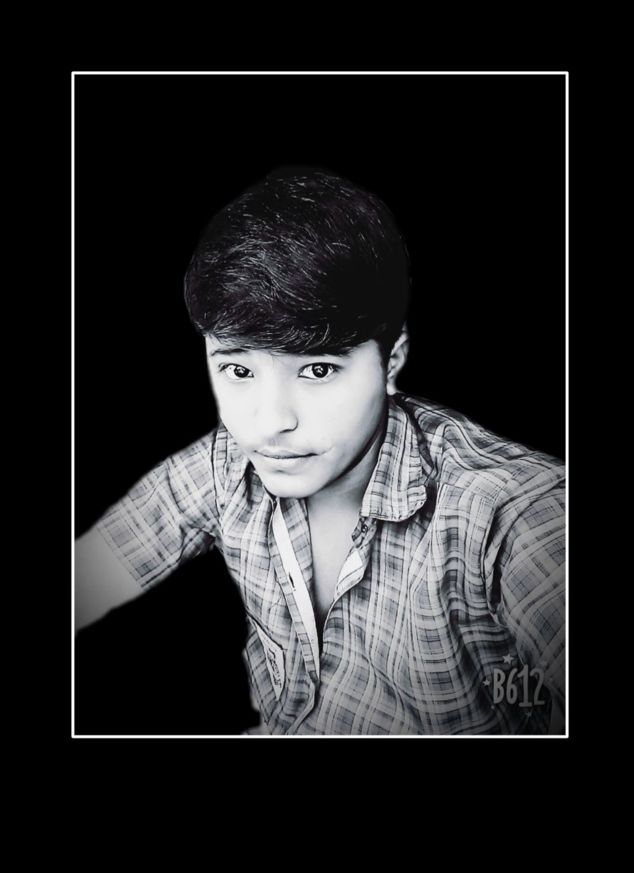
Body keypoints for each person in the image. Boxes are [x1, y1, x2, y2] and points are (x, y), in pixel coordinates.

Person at [74, 165, 565, 735]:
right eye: (239, 370)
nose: (271, 422)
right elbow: (90, 575)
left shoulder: (507, 513)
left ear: (391, 361)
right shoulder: (228, 463)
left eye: (318, 369)